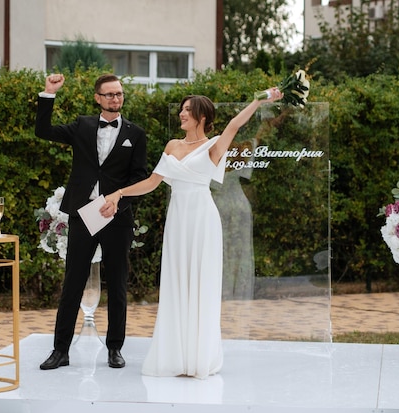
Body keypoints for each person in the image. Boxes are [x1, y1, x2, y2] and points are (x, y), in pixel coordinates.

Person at [100, 88, 282, 378]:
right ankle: (174, 356)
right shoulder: (172, 145)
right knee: (176, 282)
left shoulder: (213, 146)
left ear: (202, 116)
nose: (182, 114)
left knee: (200, 284)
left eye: (187, 110)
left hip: (202, 219)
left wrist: (260, 98)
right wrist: (119, 193)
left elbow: (235, 124)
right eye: (181, 109)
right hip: (178, 219)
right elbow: (152, 182)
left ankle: (198, 357)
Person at [35, 73, 148, 370]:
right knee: (72, 282)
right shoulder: (82, 125)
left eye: (119, 94)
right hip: (84, 216)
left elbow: (140, 178)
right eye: (109, 94)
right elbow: (43, 130)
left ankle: (115, 349)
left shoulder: (136, 134)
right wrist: (49, 93)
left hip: (117, 218)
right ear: (97, 97)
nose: (115, 99)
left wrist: (118, 201)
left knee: (118, 285)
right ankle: (60, 351)